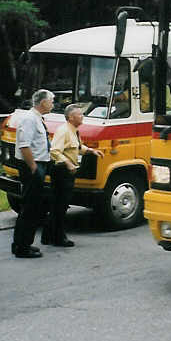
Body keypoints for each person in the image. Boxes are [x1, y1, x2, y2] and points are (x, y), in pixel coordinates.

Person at [43, 104, 104, 247]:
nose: (82, 116)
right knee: (60, 204)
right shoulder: (63, 131)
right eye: (80, 114)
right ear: (71, 117)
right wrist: (68, 164)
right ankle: (58, 238)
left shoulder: (74, 131)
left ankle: (48, 236)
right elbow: (54, 151)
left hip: (66, 170)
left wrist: (91, 151)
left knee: (59, 204)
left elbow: (77, 147)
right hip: (61, 170)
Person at [11, 89, 54, 259]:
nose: (53, 103)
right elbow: (24, 145)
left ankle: (22, 243)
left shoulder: (36, 118)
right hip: (33, 166)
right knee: (30, 207)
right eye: (51, 100)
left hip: (38, 164)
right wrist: (34, 167)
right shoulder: (29, 119)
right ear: (42, 102)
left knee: (32, 206)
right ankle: (22, 247)